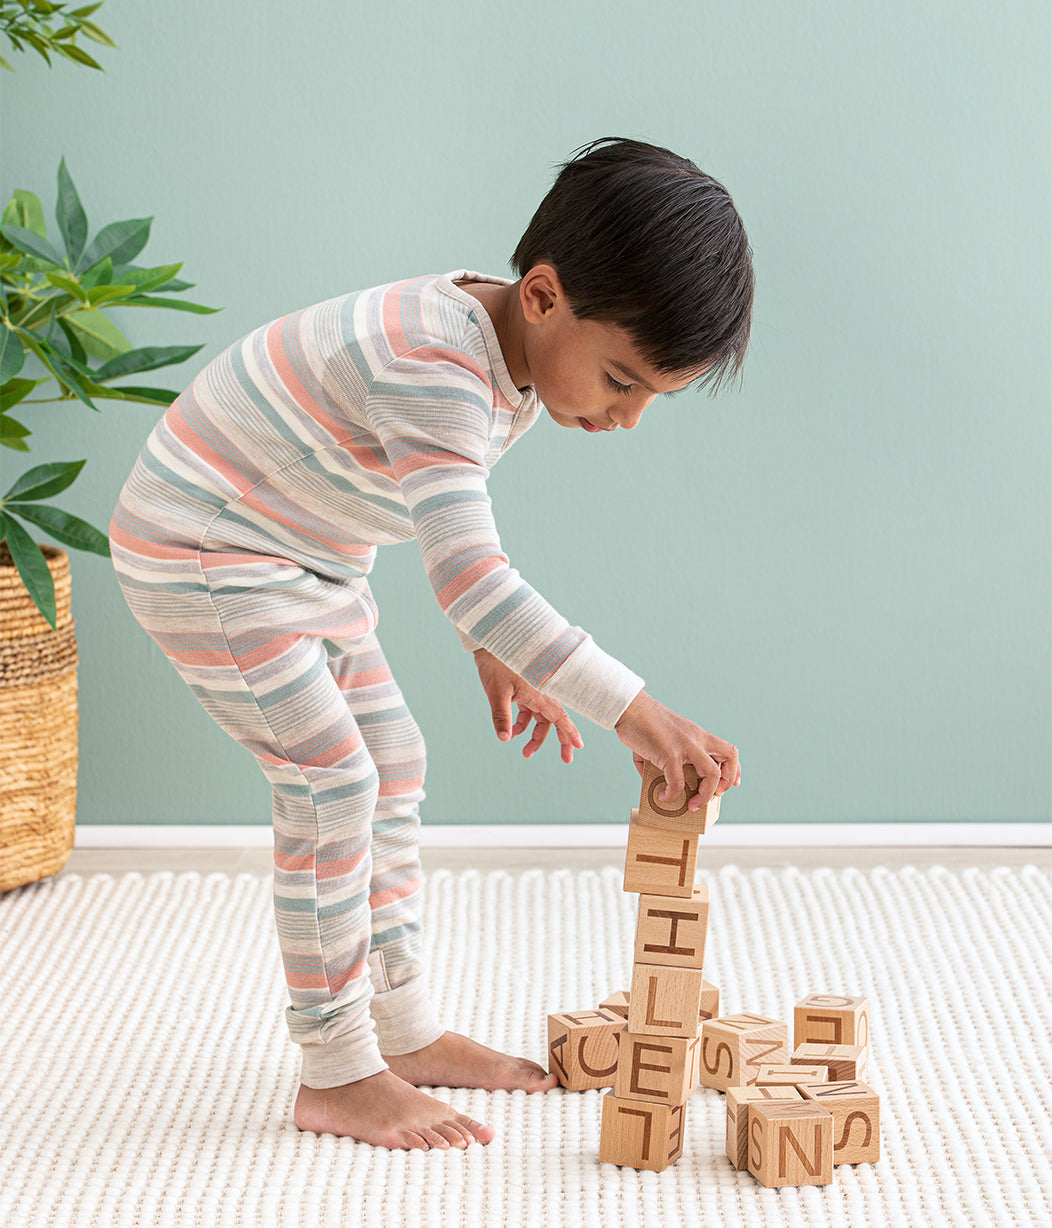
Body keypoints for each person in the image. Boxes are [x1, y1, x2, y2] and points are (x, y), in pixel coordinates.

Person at [109, 137, 753, 1152]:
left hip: (311, 553)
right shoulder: (435, 365)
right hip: (205, 544)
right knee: (330, 781)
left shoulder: (521, 358)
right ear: (540, 295)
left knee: (394, 758)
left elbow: (448, 524)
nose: (624, 418)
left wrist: (494, 648)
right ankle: (336, 1071)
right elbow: (470, 575)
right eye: (622, 380)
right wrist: (634, 710)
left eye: (648, 400)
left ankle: (401, 1031)